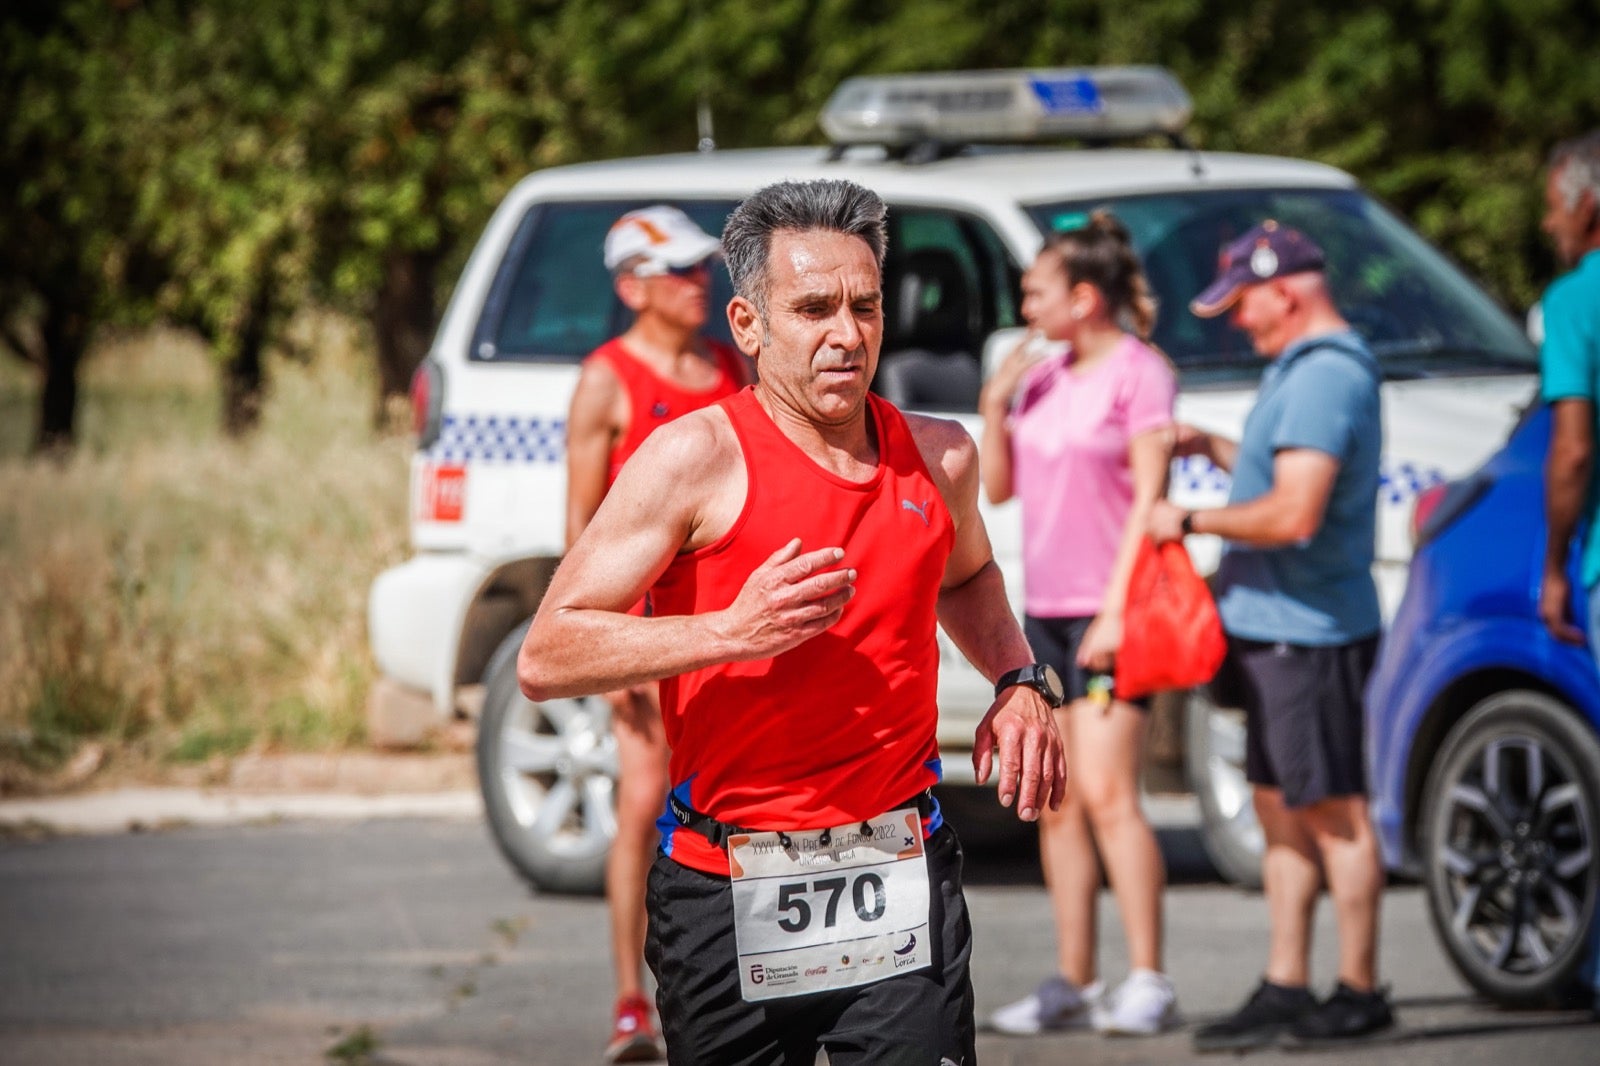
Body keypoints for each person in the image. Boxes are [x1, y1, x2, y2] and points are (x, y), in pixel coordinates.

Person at [520, 178, 1066, 1065]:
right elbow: (549, 651)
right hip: (726, 884)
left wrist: (1016, 678)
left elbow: (968, 578)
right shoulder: (691, 460)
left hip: (896, 867)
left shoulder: (941, 457)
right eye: (813, 309)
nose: (846, 335)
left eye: (865, 306)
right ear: (748, 325)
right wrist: (729, 631)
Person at [1147, 221, 1393, 1050]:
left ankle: (1359, 988)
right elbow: (1280, 471)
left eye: (1243, 305)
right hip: (1272, 629)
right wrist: (1215, 448)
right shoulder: (1302, 369)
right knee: (1280, 807)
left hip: (1306, 634)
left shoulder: (1326, 377)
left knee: (1333, 814)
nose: (1238, 322)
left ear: (1284, 291)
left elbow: (1294, 513)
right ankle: (1288, 981)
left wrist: (1184, 515)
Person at [978, 212, 1180, 1036]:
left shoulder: (1141, 373)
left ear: (1084, 297)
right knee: (1055, 799)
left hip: (1110, 615)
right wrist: (995, 405)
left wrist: (1117, 609)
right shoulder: (1040, 378)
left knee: (1107, 795)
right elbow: (997, 491)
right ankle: (1074, 978)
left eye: (1037, 292)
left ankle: (1149, 977)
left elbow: (1149, 502)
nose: (1026, 307)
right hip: (1048, 615)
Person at [565, 205, 752, 1063]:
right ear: (630, 286)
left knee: (727, 801)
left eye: (701, 268)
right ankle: (632, 1003)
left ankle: (736, 984)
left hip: (720, 628)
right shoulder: (605, 379)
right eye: (678, 271)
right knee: (645, 803)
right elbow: (582, 536)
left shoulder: (725, 364)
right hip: (642, 632)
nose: (699, 283)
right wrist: (608, 658)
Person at [1532, 129, 1600, 1012]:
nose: (1549, 222)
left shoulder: (1578, 299)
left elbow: (1573, 452)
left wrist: (1555, 563)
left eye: (1554, 203)